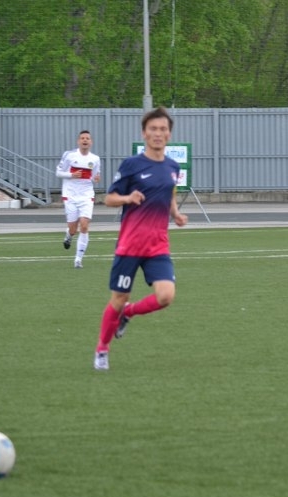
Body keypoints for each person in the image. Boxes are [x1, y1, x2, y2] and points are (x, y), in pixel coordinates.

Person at [93, 107, 188, 371]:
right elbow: (109, 198)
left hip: (158, 245)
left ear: (169, 134)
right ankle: (102, 348)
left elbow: (169, 192)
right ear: (144, 133)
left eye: (163, 129)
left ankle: (129, 312)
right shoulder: (132, 165)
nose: (158, 133)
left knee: (166, 296)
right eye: (153, 129)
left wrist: (176, 214)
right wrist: (128, 198)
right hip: (130, 245)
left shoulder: (172, 166)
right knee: (118, 298)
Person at [55, 130, 101, 268]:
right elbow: (58, 172)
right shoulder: (69, 155)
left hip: (86, 195)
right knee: (73, 229)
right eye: (82, 138)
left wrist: (96, 179)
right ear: (78, 141)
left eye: (87, 138)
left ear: (91, 142)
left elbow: (94, 177)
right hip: (70, 195)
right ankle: (69, 236)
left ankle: (78, 260)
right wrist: (71, 175)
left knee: (84, 225)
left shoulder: (95, 159)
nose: (85, 140)